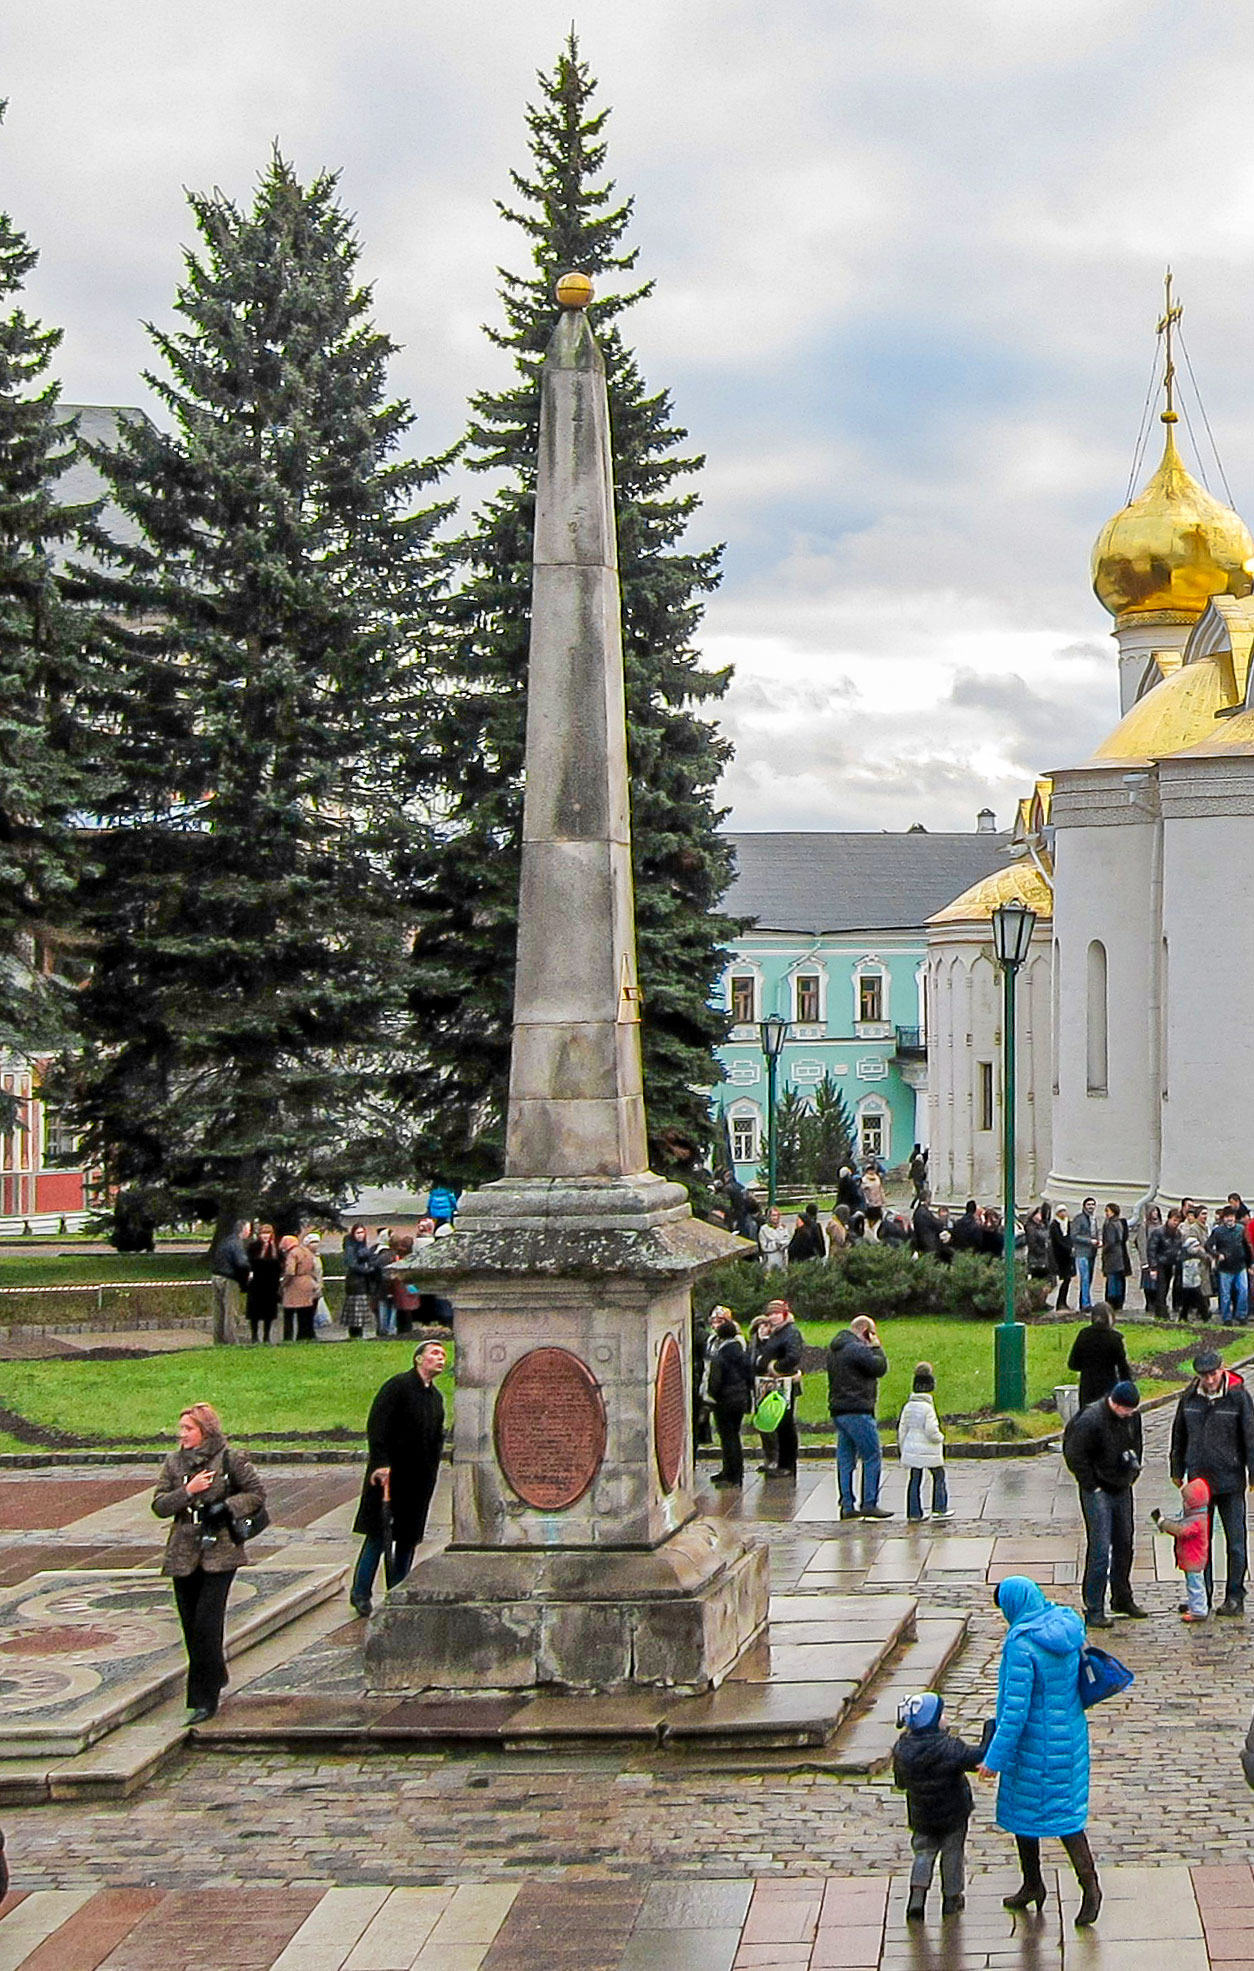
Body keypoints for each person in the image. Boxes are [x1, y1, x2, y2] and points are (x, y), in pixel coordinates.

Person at [979, 1576, 1101, 1928]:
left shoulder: (1022, 1644)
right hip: (1070, 1738)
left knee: (1043, 1816)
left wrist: (994, 1760)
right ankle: (1040, 1885)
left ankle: (1078, 1887)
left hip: (1034, 1746)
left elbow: (1015, 1711)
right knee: (1053, 1813)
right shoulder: (1065, 1624)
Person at [152, 1401, 266, 1724]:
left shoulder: (231, 1458)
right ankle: (215, 1675)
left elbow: (256, 1494)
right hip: (183, 1550)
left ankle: (204, 1698)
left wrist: (227, 1508)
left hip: (220, 1551)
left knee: (207, 1623)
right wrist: (187, 1491)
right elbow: (159, 1505)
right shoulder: (174, 1463)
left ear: (205, 1431)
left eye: (188, 1428)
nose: (182, 1434)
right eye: (182, 1429)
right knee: (190, 1625)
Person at [350, 1340, 447, 1617]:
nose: (441, 1359)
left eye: (443, 1355)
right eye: (435, 1354)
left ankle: (398, 1589)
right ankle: (360, 1592)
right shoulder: (398, 1387)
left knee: (407, 1538)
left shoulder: (435, 1397)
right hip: (390, 1478)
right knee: (379, 1536)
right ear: (419, 1359)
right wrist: (380, 1463)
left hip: (418, 1481)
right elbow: (377, 1424)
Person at [1169, 1348, 1254, 1617]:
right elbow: (1178, 1435)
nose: (1209, 1380)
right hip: (1199, 1483)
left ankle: (1235, 1595)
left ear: (1222, 1369)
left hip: (1230, 1479)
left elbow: (1250, 1436)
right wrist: (1177, 1468)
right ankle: (1201, 1597)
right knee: (1198, 1544)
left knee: (1236, 1541)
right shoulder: (1189, 1398)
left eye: (1213, 1374)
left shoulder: (1238, 1397)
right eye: (1204, 1375)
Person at [892, 1691, 990, 1921]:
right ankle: (951, 1898)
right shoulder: (949, 1747)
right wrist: (989, 1730)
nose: (945, 1717)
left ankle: (917, 1897)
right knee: (952, 1854)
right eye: (942, 1714)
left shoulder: (902, 1749)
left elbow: (900, 1783)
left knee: (923, 1853)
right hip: (953, 1815)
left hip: (922, 1817)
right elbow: (977, 1758)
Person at [1062, 1379, 1145, 1628]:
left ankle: (1121, 1597)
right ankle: (1094, 1606)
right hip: (1098, 1488)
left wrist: (1132, 1473)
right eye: (1126, 1410)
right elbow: (1074, 1453)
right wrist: (1091, 1484)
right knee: (1100, 1549)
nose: (1129, 1415)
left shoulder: (1132, 1418)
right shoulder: (1090, 1420)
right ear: (1115, 1403)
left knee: (1125, 1543)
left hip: (1121, 1485)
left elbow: (1136, 1444)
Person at [827, 1313, 891, 1519]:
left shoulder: (834, 1349)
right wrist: (876, 1347)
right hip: (858, 1410)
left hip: (839, 1409)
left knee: (845, 1459)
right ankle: (869, 1503)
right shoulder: (857, 1349)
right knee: (872, 1456)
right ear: (866, 1331)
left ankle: (847, 1505)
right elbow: (879, 1367)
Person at [753, 1299, 804, 1479]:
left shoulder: (790, 1332)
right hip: (774, 1385)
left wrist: (776, 1368)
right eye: (769, 1314)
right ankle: (781, 1462)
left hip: (786, 1383)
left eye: (776, 1313)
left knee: (786, 1425)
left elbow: (794, 1356)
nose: (772, 1317)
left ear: (784, 1314)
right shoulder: (776, 1332)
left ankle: (788, 1464)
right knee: (779, 1424)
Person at [1151, 1476, 1211, 1623]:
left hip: (1194, 1559)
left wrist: (1163, 1523)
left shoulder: (1196, 1521)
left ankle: (1199, 1610)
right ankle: (1196, 1605)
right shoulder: (1199, 1517)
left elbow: (1180, 1530)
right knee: (1194, 1583)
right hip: (1193, 1558)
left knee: (1195, 1584)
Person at [898, 1362, 951, 1522]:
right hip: (929, 1450)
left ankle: (914, 1512)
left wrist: (903, 1447)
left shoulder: (908, 1406)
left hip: (912, 1450)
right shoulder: (928, 1408)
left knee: (914, 1479)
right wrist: (940, 1437)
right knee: (938, 1476)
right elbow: (931, 1430)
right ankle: (939, 1508)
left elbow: (902, 1429)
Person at [707, 1314, 753, 1488]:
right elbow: (750, 1376)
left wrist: (712, 1396)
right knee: (734, 1435)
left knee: (728, 1438)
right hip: (740, 1398)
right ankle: (732, 1472)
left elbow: (715, 1381)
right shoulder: (742, 1353)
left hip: (724, 1400)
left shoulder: (720, 1356)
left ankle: (731, 1475)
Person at [1066, 1304, 1131, 1409]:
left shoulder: (1084, 1334)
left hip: (1087, 1388)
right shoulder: (1115, 1338)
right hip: (1108, 1388)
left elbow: (1073, 1364)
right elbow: (1123, 1370)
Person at [1207, 1207, 1253, 1326]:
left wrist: (1250, 1263)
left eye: (1232, 1217)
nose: (1230, 1219)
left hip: (1240, 1265)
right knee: (1225, 1294)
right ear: (1223, 1218)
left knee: (1243, 1291)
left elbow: (1247, 1247)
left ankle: (1241, 1315)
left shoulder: (1241, 1229)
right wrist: (1217, 1255)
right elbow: (1208, 1245)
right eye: (1227, 1217)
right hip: (1225, 1268)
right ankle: (1226, 1317)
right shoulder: (1218, 1231)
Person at [210, 1221, 250, 1346]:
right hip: (229, 1278)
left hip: (216, 1276)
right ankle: (232, 1340)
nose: (250, 1232)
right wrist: (246, 1279)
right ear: (243, 1230)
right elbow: (242, 1264)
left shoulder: (225, 1241)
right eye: (249, 1229)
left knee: (218, 1310)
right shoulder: (236, 1244)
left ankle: (218, 1339)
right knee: (231, 1311)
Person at [244, 1223, 281, 1345]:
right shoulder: (253, 1247)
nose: (266, 1236)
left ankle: (267, 1336)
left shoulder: (275, 1248)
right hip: (256, 1284)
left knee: (269, 1313)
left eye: (268, 1233)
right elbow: (250, 1263)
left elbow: (279, 1265)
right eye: (263, 1233)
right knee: (254, 1312)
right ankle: (254, 1336)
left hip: (271, 1285)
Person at [279, 1232, 318, 1342]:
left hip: (295, 1284)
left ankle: (288, 1337)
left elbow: (290, 1271)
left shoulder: (292, 1254)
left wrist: (283, 1284)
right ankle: (304, 1335)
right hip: (308, 1282)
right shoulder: (307, 1251)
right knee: (305, 1312)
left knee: (289, 1312)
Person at [342, 1223, 377, 1339]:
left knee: (360, 1309)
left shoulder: (363, 1246)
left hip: (363, 1281)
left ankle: (358, 1333)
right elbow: (352, 1264)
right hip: (355, 1282)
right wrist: (367, 1270)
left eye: (362, 1232)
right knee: (355, 1309)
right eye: (358, 1233)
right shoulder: (350, 1247)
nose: (361, 1235)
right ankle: (355, 1333)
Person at [1148, 1210, 1183, 1320]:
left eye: (1178, 1221)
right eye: (1174, 1220)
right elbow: (1151, 1249)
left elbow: (1178, 1248)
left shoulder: (1178, 1234)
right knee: (1161, 1288)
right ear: (1169, 1219)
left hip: (1171, 1263)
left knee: (1166, 1287)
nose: (1175, 1223)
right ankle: (1161, 1311)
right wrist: (1153, 1266)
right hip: (1160, 1263)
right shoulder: (1159, 1232)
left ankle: (1161, 1310)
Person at [1099, 1204, 1129, 1311]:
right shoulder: (1119, 1223)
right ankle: (1118, 1301)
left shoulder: (1110, 1224)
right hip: (1119, 1255)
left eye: (1108, 1211)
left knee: (1112, 1279)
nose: (1106, 1213)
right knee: (1118, 1278)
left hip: (1112, 1256)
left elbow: (1110, 1241)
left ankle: (1112, 1301)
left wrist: (1104, 1249)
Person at [1070, 1199, 1098, 1312]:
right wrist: (1089, 1241)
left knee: (1090, 1278)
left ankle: (1084, 1301)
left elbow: (1095, 1233)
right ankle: (1086, 1304)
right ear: (1084, 1206)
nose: (1091, 1207)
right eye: (1088, 1204)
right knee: (1085, 1278)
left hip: (1092, 1252)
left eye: (1092, 1204)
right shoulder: (1079, 1219)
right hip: (1081, 1252)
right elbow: (1074, 1235)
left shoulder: (1093, 1219)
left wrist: (1098, 1242)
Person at [1134, 1202, 1162, 1302]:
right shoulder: (1144, 1227)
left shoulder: (1161, 1225)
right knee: (1148, 1283)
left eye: (1156, 1211)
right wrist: (1144, 1261)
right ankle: (1149, 1302)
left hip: (1159, 1258)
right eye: (1153, 1211)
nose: (1155, 1213)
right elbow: (1142, 1244)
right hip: (1148, 1259)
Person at [1024, 1205, 1054, 1289]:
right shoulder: (1031, 1228)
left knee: (1047, 1282)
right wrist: (1042, 1251)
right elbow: (1032, 1244)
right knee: (1038, 1282)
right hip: (1037, 1260)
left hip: (1045, 1258)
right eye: (1038, 1213)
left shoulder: (1043, 1225)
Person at [1050, 1208, 1075, 1311]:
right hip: (1059, 1256)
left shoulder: (1067, 1223)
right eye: (1061, 1212)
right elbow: (1057, 1240)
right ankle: (1060, 1302)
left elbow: (1070, 1236)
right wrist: (1068, 1248)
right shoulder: (1054, 1225)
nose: (1064, 1213)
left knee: (1068, 1279)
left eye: (1065, 1211)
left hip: (1068, 1256)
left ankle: (1063, 1301)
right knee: (1064, 1279)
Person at [757, 1205, 791, 1272]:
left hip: (782, 1260)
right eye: (773, 1215)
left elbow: (788, 1239)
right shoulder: (763, 1229)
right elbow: (764, 1247)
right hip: (769, 1261)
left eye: (777, 1215)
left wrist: (783, 1245)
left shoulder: (783, 1227)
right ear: (769, 1216)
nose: (776, 1218)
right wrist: (776, 1244)